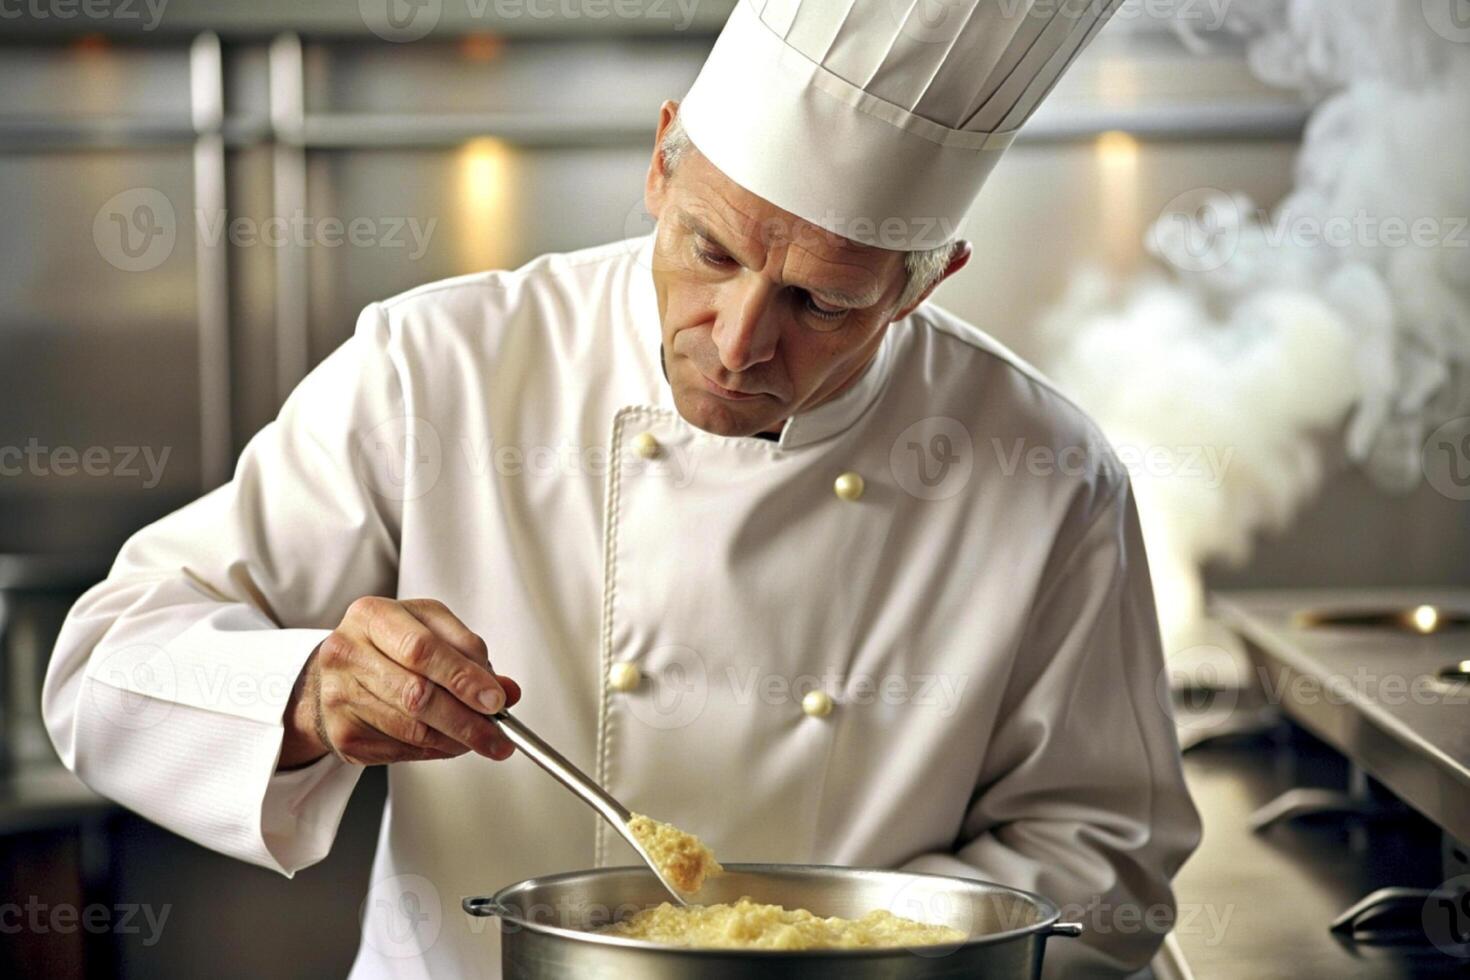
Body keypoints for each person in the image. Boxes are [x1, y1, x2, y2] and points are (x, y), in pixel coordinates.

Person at [44, 2, 1201, 976]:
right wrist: (305, 693)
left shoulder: (1043, 466)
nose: (740, 341)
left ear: (923, 281)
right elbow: (104, 664)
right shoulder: (439, 366)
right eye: (712, 251)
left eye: (823, 301)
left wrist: (851, 952)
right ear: (661, 160)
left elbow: (1106, 854)